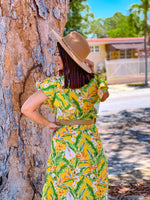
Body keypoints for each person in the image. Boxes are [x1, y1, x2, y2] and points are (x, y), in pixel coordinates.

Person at [21, 30, 109, 200]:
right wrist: (91, 71)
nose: (55, 59)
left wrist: (47, 123)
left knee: (64, 184)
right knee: (90, 185)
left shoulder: (55, 85)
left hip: (66, 142)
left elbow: (27, 108)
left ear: (68, 58)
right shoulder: (95, 82)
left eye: (58, 55)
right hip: (89, 142)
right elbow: (104, 97)